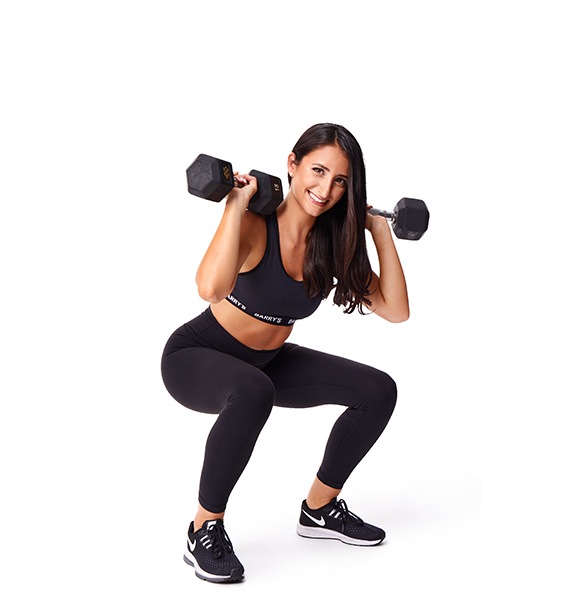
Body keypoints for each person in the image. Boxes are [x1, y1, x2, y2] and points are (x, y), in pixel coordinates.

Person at [161, 123, 410, 583]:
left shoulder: (331, 245)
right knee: (252, 389)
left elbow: (395, 311)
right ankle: (204, 529)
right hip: (197, 355)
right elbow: (208, 288)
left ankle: (319, 508)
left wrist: (379, 231)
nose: (326, 189)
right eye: (317, 170)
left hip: (267, 361)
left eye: (340, 181)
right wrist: (235, 205)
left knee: (377, 390)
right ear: (292, 165)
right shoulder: (257, 226)